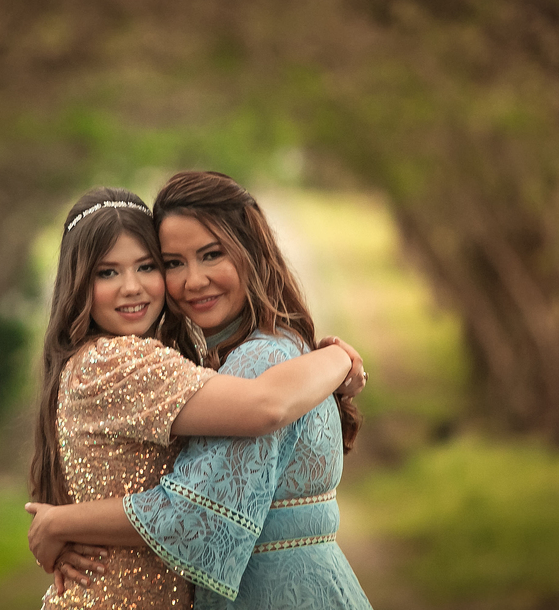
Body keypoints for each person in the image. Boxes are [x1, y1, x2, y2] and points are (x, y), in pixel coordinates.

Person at [27, 173, 373, 609]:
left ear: (252, 253)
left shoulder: (260, 361)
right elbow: (256, 417)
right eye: (173, 263)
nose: (192, 281)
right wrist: (340, 358)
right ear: (79, 283)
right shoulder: (116, 361)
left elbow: (198, 506)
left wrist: (64, 522)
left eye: (211, 255)